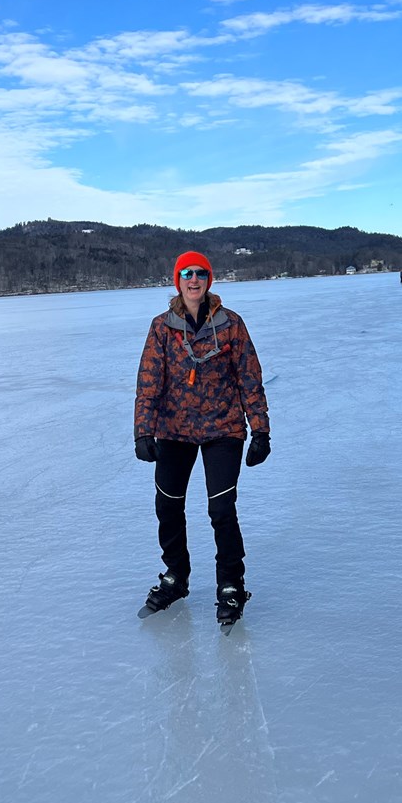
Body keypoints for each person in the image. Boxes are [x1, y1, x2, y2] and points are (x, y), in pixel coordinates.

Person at [134, 251, 270, 627]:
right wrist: (143, 430)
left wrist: (260, 429)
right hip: (174, 430)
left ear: (209, 280)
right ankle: (176, 576)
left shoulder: (231, 324)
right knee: (168, 507)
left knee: (222, 511)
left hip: (223, 428)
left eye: (201, 273)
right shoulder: (162, 327)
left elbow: (249, 378)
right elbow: (148, 383)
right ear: (177, 281)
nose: (194, 280)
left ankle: (230, 585)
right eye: (186, 274)